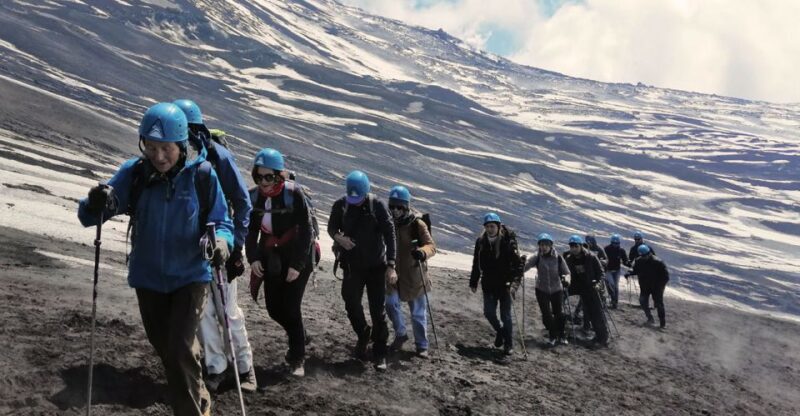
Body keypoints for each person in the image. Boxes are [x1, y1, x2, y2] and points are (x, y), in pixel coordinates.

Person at [78, 102, 233, 416]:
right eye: (151, 147)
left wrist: (222, 245)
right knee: (169, 351)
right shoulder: (134, 173)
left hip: (190, 277)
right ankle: (200, 395)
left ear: (180, 144)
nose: (158, 156)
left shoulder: (202, 175)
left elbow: (223, 222)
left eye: (166, 149)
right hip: (148, 279)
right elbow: (92, 215)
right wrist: (94, 203)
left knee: (178, 350)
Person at [173, 99, 256, 392]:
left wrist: (236, 248)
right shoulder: (176, 158)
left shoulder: (218, 157)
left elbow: (243, 203)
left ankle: (244, 369)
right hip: (192, 247)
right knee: (202, 311)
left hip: (220, 243)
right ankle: (216, 367)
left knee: (226, 310)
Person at [245, 148, 315, 376]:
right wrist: (253, 258)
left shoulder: (294, 194)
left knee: (292, 307)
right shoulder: (254, 196)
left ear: (279, 175)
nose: (264, 181)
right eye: (259, 176)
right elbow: (250, 231)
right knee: (274, 308)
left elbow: (306, 231)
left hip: (298, 256)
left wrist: (297, 265)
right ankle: (300, 336)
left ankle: (297, 358)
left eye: (269, 176)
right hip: (272, 257)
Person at [327, 170, 396, 371]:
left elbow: (390, 234)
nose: (354, 201)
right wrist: (339, 238)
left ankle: (380, 352)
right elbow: (332, 228)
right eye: (351, 197)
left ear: (366, 192)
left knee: (378, 310)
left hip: (376, 266)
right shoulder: (341, 205)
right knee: (350, 303)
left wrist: (391, 266)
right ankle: (363, 332)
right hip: (351, 266)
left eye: (358, 198)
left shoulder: (378, 206)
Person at [384, 186, 436, 358]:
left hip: (414, 275)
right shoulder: (386, 222)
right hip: (393, 274)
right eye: (392, 206)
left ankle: (422, 345)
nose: (395, 211)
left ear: (406, 207)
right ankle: (401, 334)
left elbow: (431, 246)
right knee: (390, 304)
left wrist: (422, 252)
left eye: (399, 207)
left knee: (418, 314)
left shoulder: (417, 224)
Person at [469, 213, 523, 355]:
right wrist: (473, 281)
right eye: (487, 226)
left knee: (506, 316)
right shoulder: (481, 242)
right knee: (488, 312)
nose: (490, 229)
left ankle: (509, 344)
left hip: (505, 284)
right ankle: (501, 332)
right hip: (488, 283)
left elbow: (518, 266)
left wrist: (514, 285)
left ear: (498, 226)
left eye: (492, 226)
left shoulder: (508, 241)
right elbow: (476, 262)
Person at [523, 233, 570, 347]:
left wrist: (567, 280)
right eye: (541, 245)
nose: (543, 247)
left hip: (556, 289)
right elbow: (526, 266)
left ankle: (562, 334)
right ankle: (553, 336)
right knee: (547, 315)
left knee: (559, 314)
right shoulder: (537, 256)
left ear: (551, 245)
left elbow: (567, 272)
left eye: (546, 245)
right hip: (541, 289)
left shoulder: (558, 258)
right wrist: (520, 266)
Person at [562, 235, 609, 349]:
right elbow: (568, 273)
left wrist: (598, 284)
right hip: (580, 287)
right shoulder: (569, 259)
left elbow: (601, 273)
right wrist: (565, 281)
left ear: (581, 246)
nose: (573, 248)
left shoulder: (591, 257)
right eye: (571, 246)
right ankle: (561, 328)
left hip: (593, 287)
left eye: (575, 246)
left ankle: (602, 338)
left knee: (596, 313)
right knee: (588, 313)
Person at [628, 245, 669, 328]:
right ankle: (650, 318)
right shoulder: (638, 261)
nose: (643, 257)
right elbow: (636, 270)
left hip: (656, 287)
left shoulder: (658, 262)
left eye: (645, 255)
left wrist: (661, 286)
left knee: (659, 304)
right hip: (644, 286)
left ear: (649, 253)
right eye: (642, 256)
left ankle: (662, 323)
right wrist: (629, 273)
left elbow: (666, 276)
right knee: (642, 301)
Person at [603, 234, 629, 309]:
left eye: (617, 243)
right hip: (608, 270)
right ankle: (613, 299)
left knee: (616, 287)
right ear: (611, 242)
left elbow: (625, 260)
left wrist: (629, 264)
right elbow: (603, 258)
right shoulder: (606, 249)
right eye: (613, 243)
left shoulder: (621, 250)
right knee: (611, 284)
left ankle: (615, 302)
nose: (615, 245)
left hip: (617, 270)